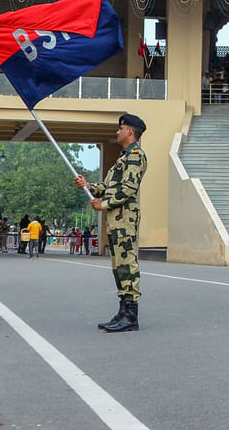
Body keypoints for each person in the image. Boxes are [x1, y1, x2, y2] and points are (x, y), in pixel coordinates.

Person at [75, 113, 148, 333]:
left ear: (130, 132)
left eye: (121, 128)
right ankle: (123, 310)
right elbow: (108, 187)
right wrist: (88, 185)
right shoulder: (123, 158)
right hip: (117, 218)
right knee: (118, 265)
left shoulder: (135, 156)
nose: (117, 132)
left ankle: (131, 314)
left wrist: (103, 205)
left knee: (127, 264)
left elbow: (128, 190)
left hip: (125, 217)